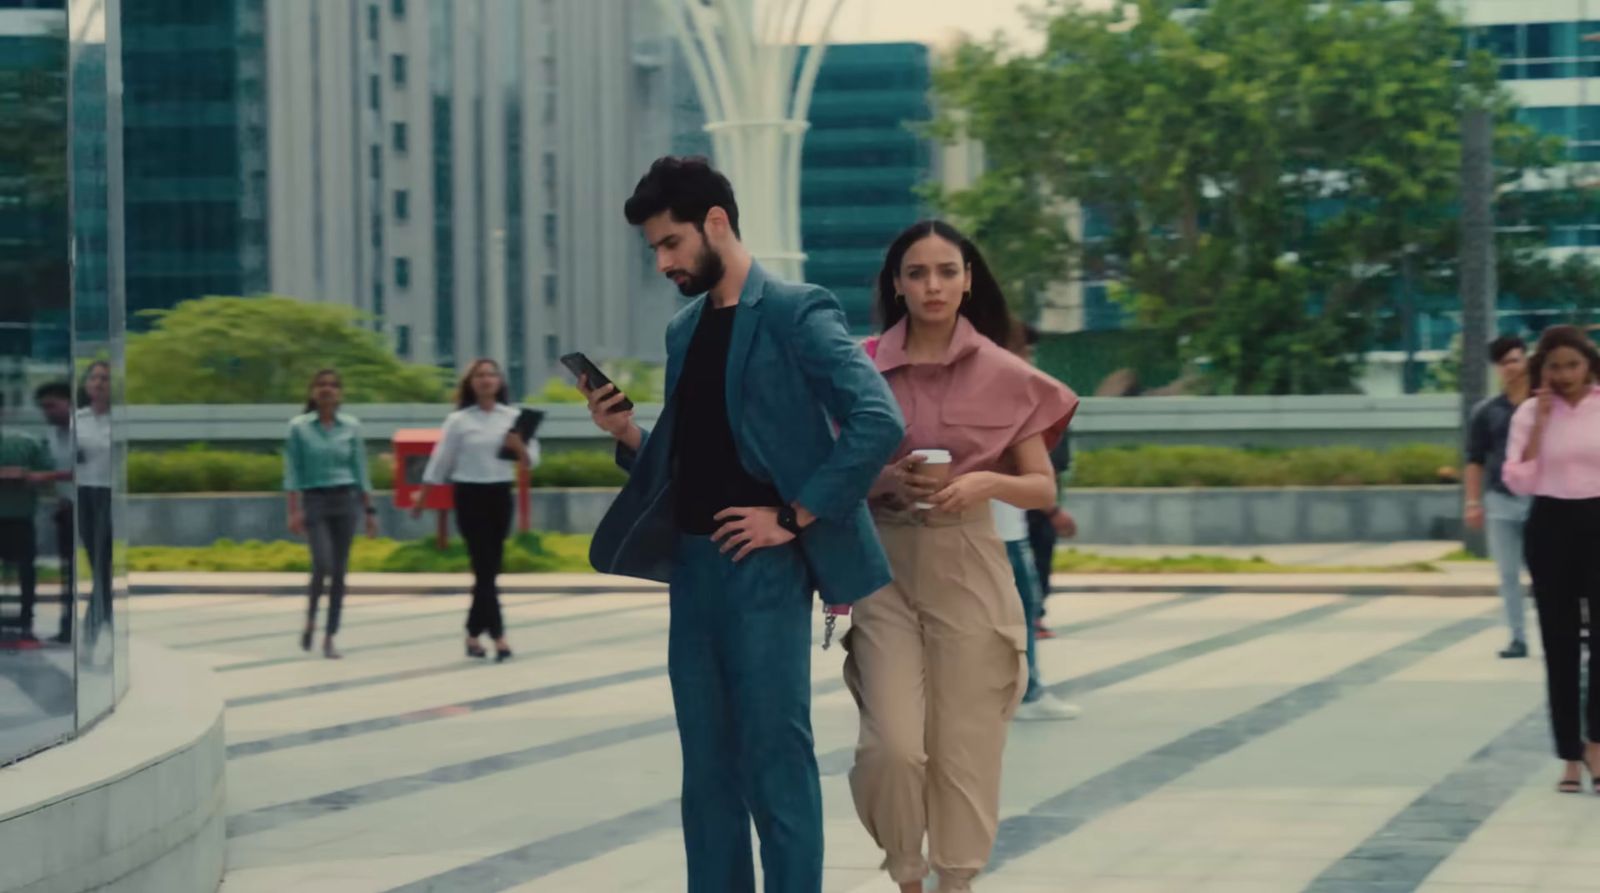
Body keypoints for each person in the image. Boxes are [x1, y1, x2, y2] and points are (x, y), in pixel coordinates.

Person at [583, 156, 904, 893]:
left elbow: (878, 418)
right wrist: (630, 435)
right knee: (707, 771)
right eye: (656, 249)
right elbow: (692, 455)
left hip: (762, 572)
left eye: (670, 244)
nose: (663, 262)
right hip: (691, 574)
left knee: (775, 760)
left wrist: (795, 514)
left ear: (716, 223)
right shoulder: (683, 330)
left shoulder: (798, 310)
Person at [848, 220, 1077, 893]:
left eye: (947, 271)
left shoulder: (1007, 374)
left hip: (970, 562)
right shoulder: (859, 368)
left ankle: (954, 882)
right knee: (892, 746)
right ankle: (906, 874)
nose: (933, 285)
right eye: (916, 273)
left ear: (968, 278)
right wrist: (888, 480)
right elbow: (831, 468)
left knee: (963, 750)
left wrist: (983, 482)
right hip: (883, 567)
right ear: (896, 284)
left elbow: (1041, 486)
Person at [1502, 324, 1600, 794]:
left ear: (1589, 365)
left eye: (1573, 365)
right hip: (1550, 528)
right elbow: (1518, 480)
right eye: (1554, 366)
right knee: (1559, 647)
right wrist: (1541, 422)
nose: (1563, 375)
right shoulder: (1527, 413)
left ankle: (1597, 744)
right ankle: (1568, 756)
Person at [413, 358, 536, 662]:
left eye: (491, 374)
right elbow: (440, 461)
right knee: (484, 567)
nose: (485, 380)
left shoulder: (514, 417)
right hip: (469, 495)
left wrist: (518, 445)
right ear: (470, 383)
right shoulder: (459, 420)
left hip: (499, 493)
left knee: (488, 569)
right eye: (479, 375)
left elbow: (531, 461)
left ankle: (472, 632)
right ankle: (499, 636)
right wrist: (422, 496)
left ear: (499, 381)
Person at [997, 321, 1081, 722]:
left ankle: (1023, 690)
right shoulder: (998, 391)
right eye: (1023, 351)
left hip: (1006, 524)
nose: (1029, 360)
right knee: (1019, 610)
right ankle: (1027, 693)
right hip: (999, 530)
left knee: (1016, 611)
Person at [284, 369, 378, 660]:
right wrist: (293, 510)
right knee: (322, 563)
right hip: (315, 501)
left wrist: (369, 510)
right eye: (321, 385)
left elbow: (361, 470)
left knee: (339, 572)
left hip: (345, 500)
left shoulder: (351, 426)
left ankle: (329, 635)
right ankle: (311, 618)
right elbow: (292, 471)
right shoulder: (299, 427)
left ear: (340, 392)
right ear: (313, 391)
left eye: (333, 385)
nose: (327, 390)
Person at [1464, 335, 1532, 659]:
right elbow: (1474, 460)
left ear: (1527, 361)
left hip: (1542, 501)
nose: (1511, 367)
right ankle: (1518, 637)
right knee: (1507, 574)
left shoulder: (1544, 405)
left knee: (1550, 573)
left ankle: (1559, 631)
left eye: (1516, 360)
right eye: (1504, 363)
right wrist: (1473, 502)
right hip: (1501, 501)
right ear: (1497, 369)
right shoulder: (1486, 412)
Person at [0, 397, 54, 644]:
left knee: (26, 572)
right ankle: (25, 625)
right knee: (26, 572)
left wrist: (23, 475)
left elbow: (47, 475)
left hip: (20, 516)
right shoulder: (28, 442)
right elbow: (47, 476)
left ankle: (25, 623)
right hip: (21, 517)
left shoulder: (27, 442)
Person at [76, 361, 114, 646]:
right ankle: (105, 620)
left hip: (108, 494)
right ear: (86, 385)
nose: (99, 383)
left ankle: (91, 630)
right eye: (94, 378)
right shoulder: (79, 419)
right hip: (84, 494)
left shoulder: (119, 420)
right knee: (96, 562)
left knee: (103, 564)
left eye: (105, 379)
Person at [34, 381, 75, 644]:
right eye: (43, 407)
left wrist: (44, 476)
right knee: (67, 572)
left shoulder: (87, 431)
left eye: (52, 405)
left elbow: (86, 470)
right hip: (65, 510)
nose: (47, 412)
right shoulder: (51, 436)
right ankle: (66, 627)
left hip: (91, 509)